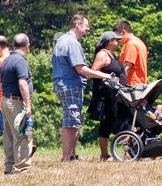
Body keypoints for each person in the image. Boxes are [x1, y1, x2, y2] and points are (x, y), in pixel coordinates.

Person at [51, 14, 114, 162]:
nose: (88, 29)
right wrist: (104, 76)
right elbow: (81, 69)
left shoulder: (61, 40)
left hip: (62, 84)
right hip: (70, 85)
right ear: (78, 25)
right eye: (86, 26)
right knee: (70, 120)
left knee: (73, 119)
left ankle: (71, 154)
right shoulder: (72, 43)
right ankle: (67, 156)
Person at [88, 30, 127, 161]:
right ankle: (104, 155)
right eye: (116, 40)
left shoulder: (112, 55)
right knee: (108, 123)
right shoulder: (102, 54)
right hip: (106, 96)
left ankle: (127, 151)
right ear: (110, 42)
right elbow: (93, 71)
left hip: (117, 94)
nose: (119, 42)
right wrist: (108, 77)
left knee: (122, 121)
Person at [0, 33, 33, 175]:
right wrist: (27, 104)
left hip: (5, 100)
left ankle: (9, 167)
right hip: (16, 102)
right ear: (27, 46)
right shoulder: (20, 61)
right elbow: (22, 83)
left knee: (9, 136)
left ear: (14, 45)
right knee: (21, 135)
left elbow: (1, 84)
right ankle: (21, 168)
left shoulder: (6, 61)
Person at [116, 20, 149, 87]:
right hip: (141, 85)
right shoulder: (140, 42)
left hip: (132, 86)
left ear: (123, 32)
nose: (117, 40)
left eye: (117, 37)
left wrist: (119, 83)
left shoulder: (131, 44)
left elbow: (127, 66)